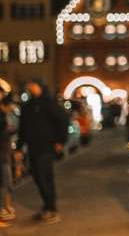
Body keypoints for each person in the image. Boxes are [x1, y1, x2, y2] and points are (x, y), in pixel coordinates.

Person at [15, 80, 68, 225]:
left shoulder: (49, 103)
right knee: (37, 177)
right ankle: (47, 206)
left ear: (39, 86)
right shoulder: (28, 106)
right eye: (29, 86)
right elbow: (22, 129)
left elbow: (63, 120)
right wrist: (19, 148)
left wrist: (60, 141)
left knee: (45, 178)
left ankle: (52, 209)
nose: (30, 88)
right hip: (32, 148)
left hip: (46, 147)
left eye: (33, 85)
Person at [0, 93, 16, 224]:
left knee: (7, 182)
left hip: (4, 153)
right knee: (6, 182)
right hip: (2, 155)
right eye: (10, 106)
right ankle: (3, 209)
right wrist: (9, 132)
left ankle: (6, 207)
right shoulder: (1, 116)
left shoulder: (4, 115)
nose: (12, 108)